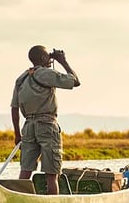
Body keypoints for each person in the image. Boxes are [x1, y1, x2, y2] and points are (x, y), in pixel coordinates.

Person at [11, 45, 80, 194]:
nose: (50, 59)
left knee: (25, 171)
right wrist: (63, 61)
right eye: (48, 57)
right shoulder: (45, 74)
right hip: (47, 125)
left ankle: (21, 201)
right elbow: (75, 81)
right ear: (43, 58)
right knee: (51, 175)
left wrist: (17, 135)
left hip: (28, 127)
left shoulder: (21, 78)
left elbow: (14, 108)